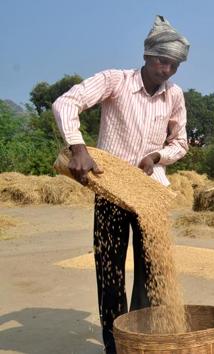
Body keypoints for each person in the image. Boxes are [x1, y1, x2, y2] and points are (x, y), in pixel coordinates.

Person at [52, 15, 190, 353]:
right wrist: (79, 148)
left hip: (149, 192)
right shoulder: (115, 81)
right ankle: (115, 343)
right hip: (112, 187)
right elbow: (65, 103)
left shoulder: (174, 95)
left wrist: (157, 157)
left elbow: (181, 143)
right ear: (146, 55)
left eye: (174, 65)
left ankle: (146, 338)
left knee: (152, 270)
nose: (167, 71)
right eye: (162, 61)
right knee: (110, 269)